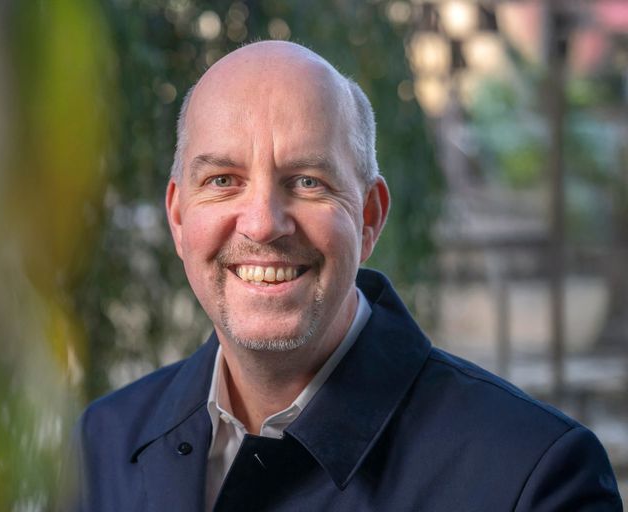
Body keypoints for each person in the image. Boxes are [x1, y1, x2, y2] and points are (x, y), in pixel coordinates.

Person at [72, 41, 622, 511]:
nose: (262, 223)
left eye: (307, 181)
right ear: (177, 217)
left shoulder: (534, 476)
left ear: (369, 217)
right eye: (222, 180)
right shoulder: (102, 445)